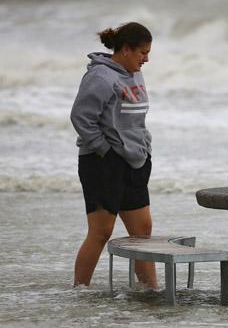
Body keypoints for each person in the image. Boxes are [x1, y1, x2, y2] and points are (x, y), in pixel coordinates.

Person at [70, 22, 158, 287]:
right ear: (126, 49)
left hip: (134, 161)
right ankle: (79, 290)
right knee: (101, 232)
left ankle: (150, 292)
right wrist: (105, 151)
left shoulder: (135, 74)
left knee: (142, 232)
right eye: (143, 52)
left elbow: (134, 119)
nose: (147, 58)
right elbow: (81, 118)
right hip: (101, 163)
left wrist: (145, 147)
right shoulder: (100, 77)